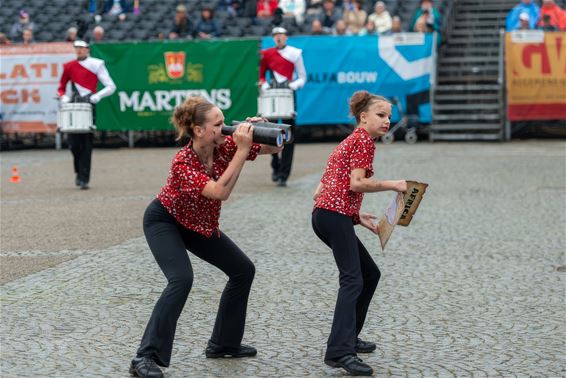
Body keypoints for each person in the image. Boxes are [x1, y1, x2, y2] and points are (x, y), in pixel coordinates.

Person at [129, 96, 282, 378]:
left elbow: (275, 146)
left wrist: (264, 128)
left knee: (243, 270)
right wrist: (242, 150)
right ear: (199, 130)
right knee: (181, 279)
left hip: (199, 225)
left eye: (225, 122)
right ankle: (145, 357)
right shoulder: (183, 162)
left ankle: (224, 343)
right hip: (166, 221)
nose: (225, 129)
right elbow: (220, 192)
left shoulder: (225, 145)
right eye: (219, 124)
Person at [311, 91, 407, 376]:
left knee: (369, 274)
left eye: (389, 116)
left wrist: (354, 215)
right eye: (381, 115)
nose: (387, 120)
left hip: (327, 216)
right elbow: (356, 183)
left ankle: (349, 337)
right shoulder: (363, 141)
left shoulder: (351, 140)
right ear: (363, 117)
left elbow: (320, 190)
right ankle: (340, 351)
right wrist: (394, 184)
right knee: (353, 280)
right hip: (332, 217)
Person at [57, 39, 116, 189]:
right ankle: (78, 171)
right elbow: (61, 87)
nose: (79, 50)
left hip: (89, 104)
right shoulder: (69, 66)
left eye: (82, 48)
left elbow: (111, 86)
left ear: (88, 49)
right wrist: (63, 97)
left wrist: (97, 96)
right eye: (76, 48)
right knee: (73, 143)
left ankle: (84, 177)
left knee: (86, 142)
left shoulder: (96, 64)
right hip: (73, 104)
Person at [259, 27, 307, 187]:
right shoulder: (267, 53)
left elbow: (302, 76)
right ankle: (275, 165)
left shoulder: (295, 53)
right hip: (272, 95)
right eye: (276, 35)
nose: (279, 37)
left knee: (288, 134)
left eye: (281, 35)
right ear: (273, 38)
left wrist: (292, 86)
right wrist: (265, 85)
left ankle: (284, 174)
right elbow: (261, 75)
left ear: (286, 37)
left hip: (288, 95)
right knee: (270, 131)